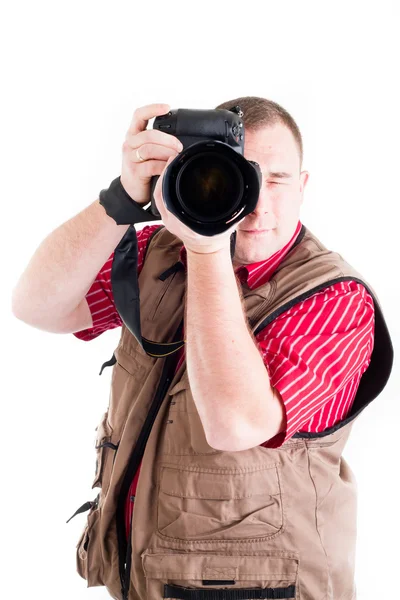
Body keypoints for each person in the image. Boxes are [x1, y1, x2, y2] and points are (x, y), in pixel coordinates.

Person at [12, 97, 393, 600]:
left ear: (303, 186)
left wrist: (207, 246)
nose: (256, 205)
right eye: (239, 177)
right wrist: (123, 201)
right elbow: (36, 306)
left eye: (275, 180)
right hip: (147, 578)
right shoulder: (159, 254)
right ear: (192, 174)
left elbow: (235, 424)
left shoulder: (336, 299)